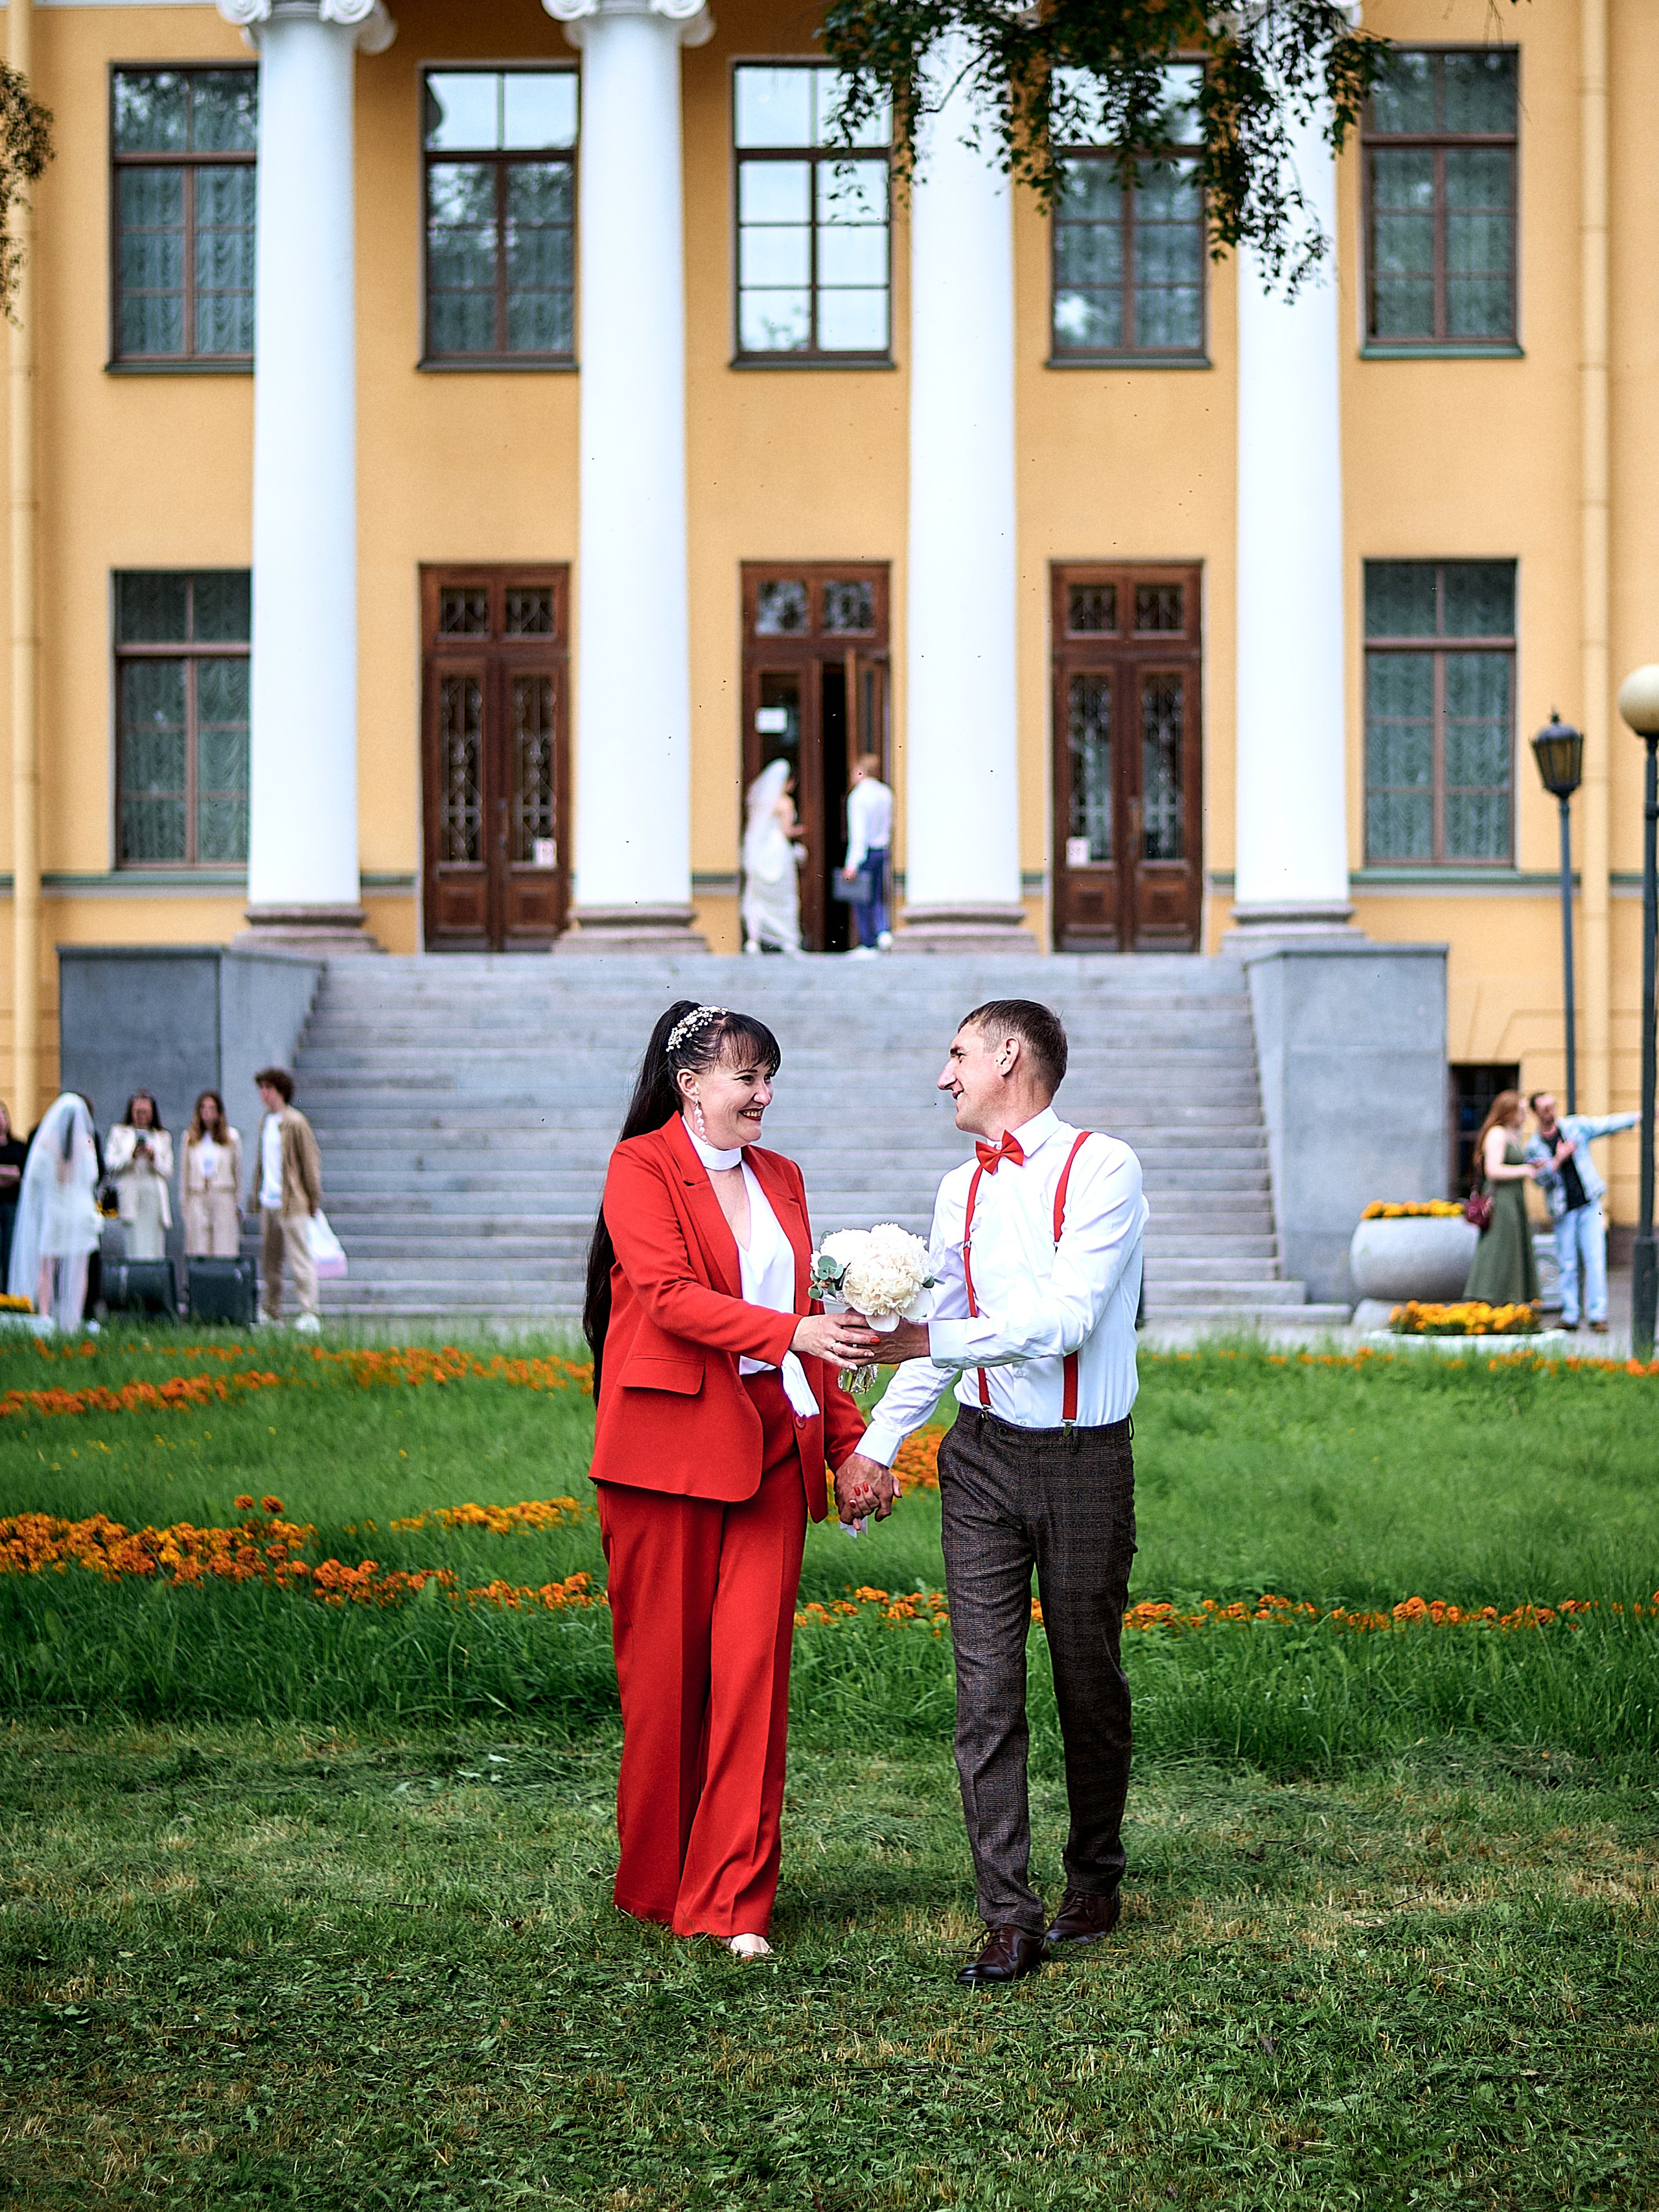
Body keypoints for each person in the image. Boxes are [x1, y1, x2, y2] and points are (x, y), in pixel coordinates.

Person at [836, 999, 1148, 1988]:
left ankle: (1094, 1876)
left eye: (958, 1053)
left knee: (1087, 1678)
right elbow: (943, 1327)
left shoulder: (1105, 1167)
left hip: (1085, 1457)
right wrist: (878, 1444)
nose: (945, 1075)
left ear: (1010, 1056)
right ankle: (1006, 1914)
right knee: (985, 1693)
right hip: (979, 1460)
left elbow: (1062, 1319)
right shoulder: (953, 1189)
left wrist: (929, 1337)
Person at [583, 999, 878, 1958]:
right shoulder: (640, 1168)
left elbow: (812, 1320)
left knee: (753, 1678)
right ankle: (658, 1885)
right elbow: (668, 1297)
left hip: (772, 1445)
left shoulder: (784, 1177)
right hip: (663, 1455)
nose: (763, 1094)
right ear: (692, 1086)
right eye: (747, 1076)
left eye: (768, 1077)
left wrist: (848, 1443)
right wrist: (790, 1332)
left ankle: (733, 1904)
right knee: (667, 1682)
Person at [1524, 1092, 1638, 1333]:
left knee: (1595, 1259)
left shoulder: (1574, 1127)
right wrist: (1558, 1159)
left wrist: (1639, 1117)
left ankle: (1598, 1315)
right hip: (1563, 1211)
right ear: (1536, 1113)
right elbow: (1540, 1180)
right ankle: (1570, 1314)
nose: (1550, 1112)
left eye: (1552, 1106)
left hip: (1589, 1205)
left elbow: (1604, 1125)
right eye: (1545, 1109)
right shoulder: (1534, 1147)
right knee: (1567, 1263)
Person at [8, 1092, 102, 1331]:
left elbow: (35, 1177)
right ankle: (73, 1317)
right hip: (79, 1212)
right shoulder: (87, 1143)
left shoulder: (46, 1141)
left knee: (47, 1265)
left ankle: (46, 1314)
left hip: (56, 1211)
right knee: (80, 1267)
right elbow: (93, 1177)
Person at [250, 1067, 323, 1334]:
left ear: (279, 1090)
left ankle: (310, 1310)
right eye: (261, 1088)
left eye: (267, 1088)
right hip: (269, 1200)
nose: (263, 1094)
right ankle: (271, 1309)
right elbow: (262, 1163)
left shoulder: (295, 1121)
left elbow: (309, 1162)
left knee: (300, 1258)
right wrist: (256, 1195)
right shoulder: (265, 1122)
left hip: (292, 1201)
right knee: (270, 1260)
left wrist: (313, 1197)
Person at [1462, 1089, 1542, 1307]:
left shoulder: (1512, 1134)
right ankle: (1491, 1298)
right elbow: (1493, 1170)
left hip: (1513, 1199)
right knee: (1500, 1248)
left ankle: (1510, 1300)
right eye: (1520, 1111)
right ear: (1508, 1112)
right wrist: (1525, 1170)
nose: (1524, 1116)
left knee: (1511, 1249)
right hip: (1502, 1201)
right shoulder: (1497, 1133)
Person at [741, 760, 805, 956]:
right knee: (785, 897)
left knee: (757, 897)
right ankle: (788, 939)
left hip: (760, 851)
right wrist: (801, 831)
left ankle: (753, 940)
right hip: (778, 852)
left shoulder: (760, 802)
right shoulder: (786, 803)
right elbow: (786, 831)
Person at [104, 1092, 174, 1263]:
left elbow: (168, 1171)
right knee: (133, 1247)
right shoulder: (119, 1133)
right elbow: (110, 1164)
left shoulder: (162, 1136)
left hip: (153, 1198)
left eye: (146, 1112)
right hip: (131, 1198)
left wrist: (153, 1159)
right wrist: (131, 1156)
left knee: (154, 1249)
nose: (142, 1116)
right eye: (138, 1112)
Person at [841, 751, 894, 958]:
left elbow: (859, 834)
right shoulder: (885, 793)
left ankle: (868, 942)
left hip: (865, 853)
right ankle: (882, 932)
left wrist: (851, 863)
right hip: (882, 849)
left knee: (861, 898)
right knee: (878, 895)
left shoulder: (858, 797)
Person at [182, 1089, 244, 1258]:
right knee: (199, 1245)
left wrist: (236, 1203)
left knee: (223, 1245)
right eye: (203, 1108)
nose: (207, 1112)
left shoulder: (232, 1138)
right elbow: (185, 1175)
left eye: (211, 1108)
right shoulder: (190, 1139)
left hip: (223, 1194)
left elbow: (237, 1173)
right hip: (198, 1194)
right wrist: (185, 1206)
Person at [0, 1102, 28, 1292]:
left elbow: (21, 1173)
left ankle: (11, 1294)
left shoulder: (18, 1146)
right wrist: (10, 1172)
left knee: (10, 1250)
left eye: (3, 1115)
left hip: (13, 1205)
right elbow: (14, 1173)